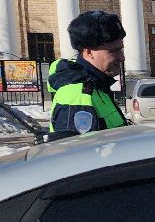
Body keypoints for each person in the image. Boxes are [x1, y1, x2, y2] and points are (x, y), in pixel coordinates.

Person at [46, 10, 128, 140]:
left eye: (121, 49)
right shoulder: (78, 95)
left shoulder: (97, 87)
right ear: (89, 52)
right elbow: (77, 155)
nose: (122, 58)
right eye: (113, 51)